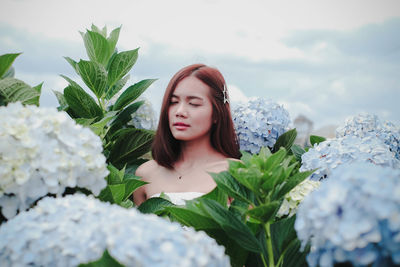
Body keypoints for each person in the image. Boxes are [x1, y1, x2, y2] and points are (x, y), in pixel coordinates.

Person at [133, 64, 241, 206]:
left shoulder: (235, 172)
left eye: (194, 103)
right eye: (173, 102)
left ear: (217, 113)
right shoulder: (146, 174)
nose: (180, 111)